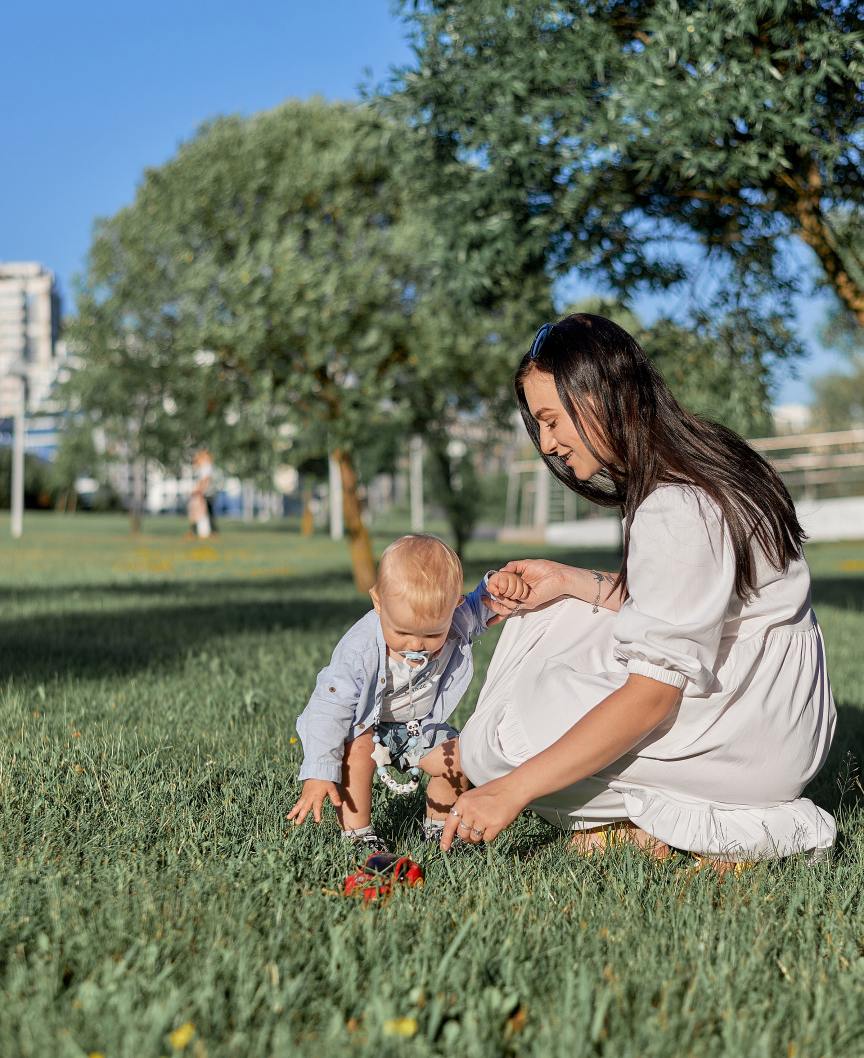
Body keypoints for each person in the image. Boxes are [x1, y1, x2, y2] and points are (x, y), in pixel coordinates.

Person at [442, 314, 836, 868]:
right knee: (552, 615)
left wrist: (511, 791)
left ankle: (728, 824)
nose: (549, 444)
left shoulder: (676, 506)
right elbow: (690, 606)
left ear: (598, 393)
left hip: (751, 738)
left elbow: (654, 695)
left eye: (552, 420)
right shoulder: (707, 463)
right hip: (777, 712)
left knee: (499, 747)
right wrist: (567, 582)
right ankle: (648, 819)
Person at [287, 534, 529, 853]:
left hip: (417, 724)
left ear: (452, 610)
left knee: (457, 756)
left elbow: (480, 606)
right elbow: (327, 710)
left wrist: (498, 587)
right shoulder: (358, 652)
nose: (415, 645)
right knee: (357, 754)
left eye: (431, 634)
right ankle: (358, 835)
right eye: (401, 631)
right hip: (366, 724)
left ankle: (441, 828)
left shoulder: (454, 618)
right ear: (378, 602)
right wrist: (318, 772)